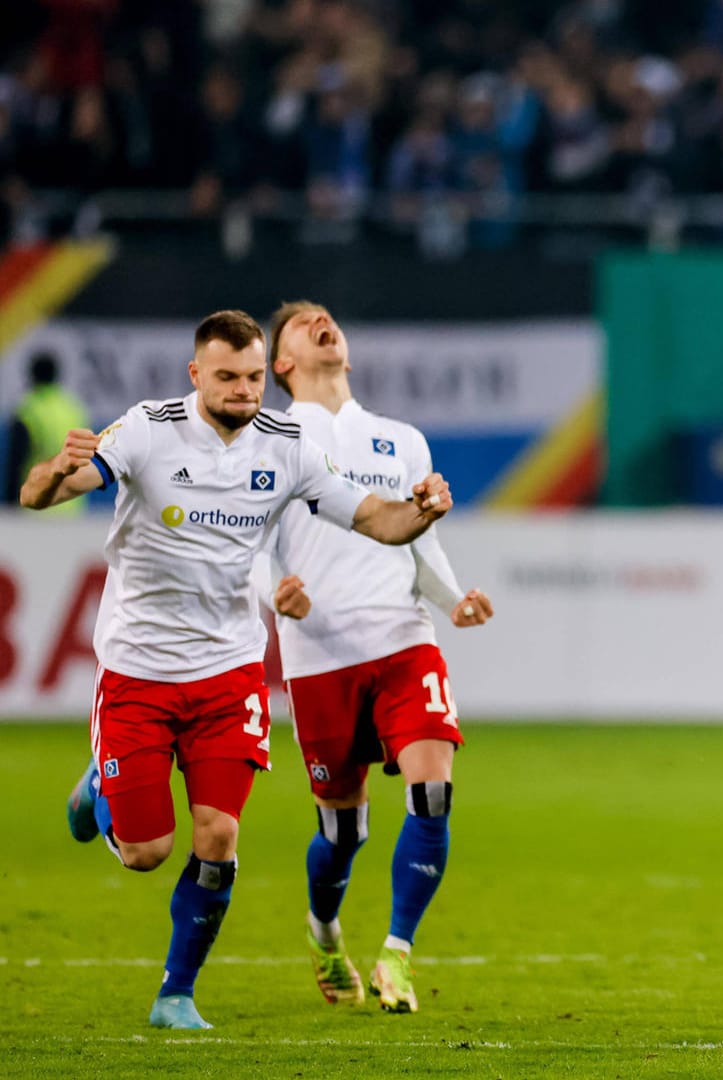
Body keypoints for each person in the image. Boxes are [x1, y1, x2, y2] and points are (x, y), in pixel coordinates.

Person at [23, 310, 453, 1030]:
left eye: (253, 377)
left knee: (218, 840)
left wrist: (421, 511)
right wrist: (54, 474)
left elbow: (376, 518)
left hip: (229, 673)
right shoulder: (148, 430)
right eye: (227, 377)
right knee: (145, 851)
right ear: (197, 375)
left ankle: (176, 994)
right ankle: (103, 782)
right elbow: (46, 494)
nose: (243, 390)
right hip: (139, 668)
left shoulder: (286, 446)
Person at [261, 301, 495, 1013]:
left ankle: (398, 952)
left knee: (432, 790)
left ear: (348, 352)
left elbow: (419, 541)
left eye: (327, 316)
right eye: (302, 322)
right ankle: (324, 928)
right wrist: (278, 593)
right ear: (282, 362)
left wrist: (452, 598)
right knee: (343, 828)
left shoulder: (402, 440)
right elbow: (248, 542)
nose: (320, 321)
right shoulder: (268, 440)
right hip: (320, 653)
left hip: (402, 638)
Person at [6, 353, 89, 516]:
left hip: (35, 509)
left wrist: (10, 507)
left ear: (32, 376)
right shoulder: (74, 409)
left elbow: (16, 462)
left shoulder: (28, 410)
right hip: (72, 509)